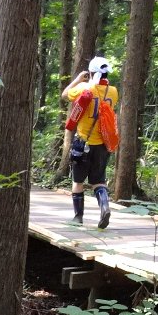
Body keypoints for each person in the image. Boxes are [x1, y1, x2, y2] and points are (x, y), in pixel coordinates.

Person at [63, 56, 119, 229]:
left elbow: (65, 95)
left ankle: (78, 217)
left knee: (78, 181)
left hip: (84, 142)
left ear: (91, 72)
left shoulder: (84, 88)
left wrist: (79, 79)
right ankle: (104, 207)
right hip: (103, 144)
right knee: (99, 181)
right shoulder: (113, 91)